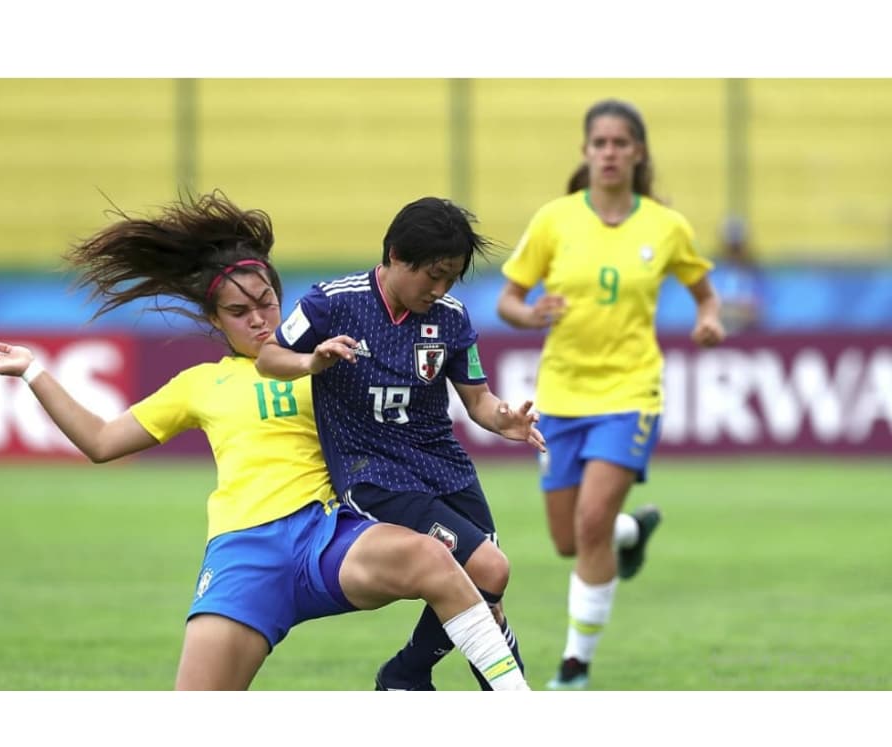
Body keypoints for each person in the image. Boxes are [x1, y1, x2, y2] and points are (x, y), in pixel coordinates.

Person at [0, 191, 530, 691]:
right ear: (215, 321)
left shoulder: (332, 361)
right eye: (238, 311)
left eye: (267, 304)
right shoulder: (199, 384)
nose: (259, 320)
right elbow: (102, 441)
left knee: (459, 566)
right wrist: (34, 373)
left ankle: (442, 689)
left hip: (332, 535)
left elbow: (414, 397)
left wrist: (493, 413)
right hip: (244, 554)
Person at [256, 196, 545, 691]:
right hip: (374, 474)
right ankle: (409, 672)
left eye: (450, 278)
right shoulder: (333, 303)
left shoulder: (451, 318)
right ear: (394, 255)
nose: (440, 288)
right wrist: (311, 362)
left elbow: (478, 400)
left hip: (444, 468)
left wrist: (504, 421)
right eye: (433, 274)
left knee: (486, 600)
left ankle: (406, 677)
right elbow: (268, 355)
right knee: (490, 569)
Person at [495, 99, 726, 690]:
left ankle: (574, 668)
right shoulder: (555, 220)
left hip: (631, 391)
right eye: (599, 143)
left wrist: (708, 319)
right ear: (586, 152)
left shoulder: (666, 227)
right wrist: (530, 314)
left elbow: (704, 292)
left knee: (592, 521)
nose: (609, 153)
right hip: (563, 393)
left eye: (620, 143)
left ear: (638, 152)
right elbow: (508, 300)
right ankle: (632, 532)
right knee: (570, 539)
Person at [713, 214, 764, 334]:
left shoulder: (756, 276)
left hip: (749, 335)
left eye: (737, 248)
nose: (734, 253)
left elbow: (760, 311)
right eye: (731, 248)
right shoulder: (713, 275)